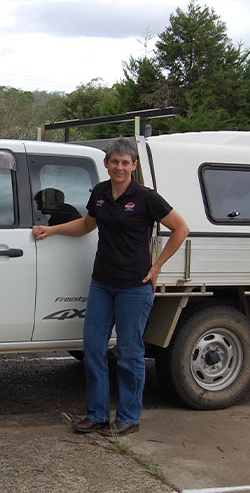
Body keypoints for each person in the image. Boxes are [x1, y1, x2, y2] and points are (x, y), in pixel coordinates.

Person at [33, 137, 189, 437]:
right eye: (114, 161)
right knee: (93, 348)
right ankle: (97, 415)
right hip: (102, 283)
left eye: (125, 162)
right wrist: (51, 230)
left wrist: (157, 267)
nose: (119, 166)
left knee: (130, 353)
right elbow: (88, 224)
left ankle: (129, 417)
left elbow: (181, 228)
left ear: (134, 166)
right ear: (106, 164)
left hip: (134, 286)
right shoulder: (101, 193)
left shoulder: (146, 197)